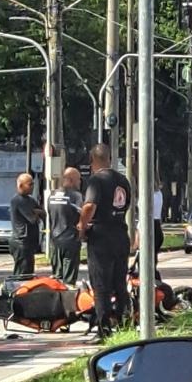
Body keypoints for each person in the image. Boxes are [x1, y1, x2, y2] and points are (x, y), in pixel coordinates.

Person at [78, 144, 131, 341]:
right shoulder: (123, 180)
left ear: (93, 160)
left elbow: (89, 206)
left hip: (101, 236)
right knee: (119, 281)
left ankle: (103, 328)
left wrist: (82, 227)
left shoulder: (96, 180)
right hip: (120, 233)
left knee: (101, 285)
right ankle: (125, 323)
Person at [48, 167, 83, 286]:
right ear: (72, 180)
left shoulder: (51, 195)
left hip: (55, 240)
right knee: (69, 281)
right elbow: (82, 214)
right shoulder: (76, 196)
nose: (80, 182)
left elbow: (50, 215)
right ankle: (68, 302)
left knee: (57, 279)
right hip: (71, 240)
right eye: (79, 179)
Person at [9, 173, 45, 276]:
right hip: (21, 241)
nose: (33, 187)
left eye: (33, 184)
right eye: (30, 184)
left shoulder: (31, 200)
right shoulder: (17, 200)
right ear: (20, 185)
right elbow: (32, 219)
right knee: (22, 273)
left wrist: (37, 212)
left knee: (29, 272)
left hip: (30, 242)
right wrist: (36, 212)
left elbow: (43, 214)